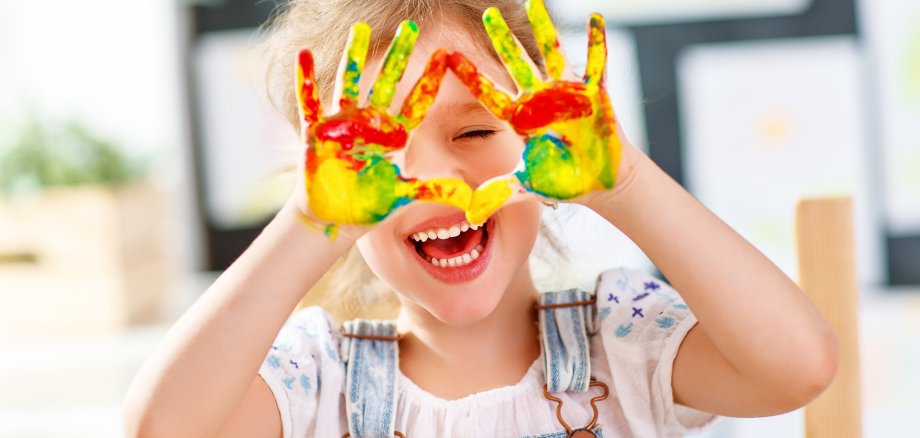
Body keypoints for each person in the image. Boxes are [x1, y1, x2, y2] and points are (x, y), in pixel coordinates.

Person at [122, 1, 839, 437]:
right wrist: (309, 226)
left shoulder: (624, 346)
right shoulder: (315, 381)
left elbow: (798, 369)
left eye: (474, 134)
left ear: (544, 146)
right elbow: (163, 431)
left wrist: (624, 182)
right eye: (384, 155)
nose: (437, 179)